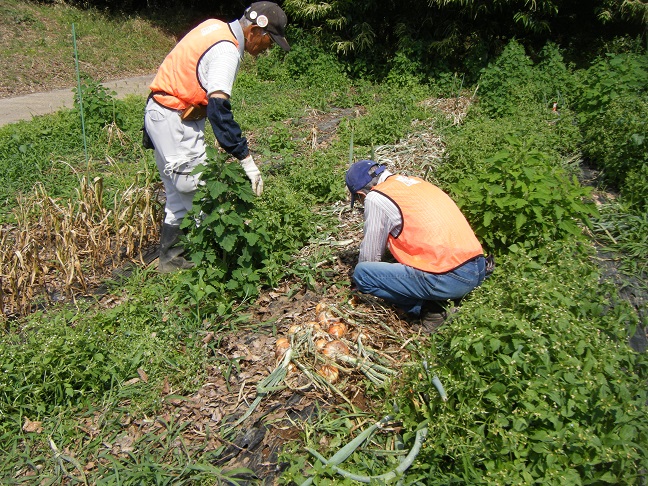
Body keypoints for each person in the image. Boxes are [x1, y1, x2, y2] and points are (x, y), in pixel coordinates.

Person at [144, 2, 290, 272]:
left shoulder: (215, 26)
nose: (267, 50)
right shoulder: (226, 50)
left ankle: (173, 261)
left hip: (162, 114)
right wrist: (246, 159)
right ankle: (216, 262)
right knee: (199, 191)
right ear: (254, 31)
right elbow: (219, 110)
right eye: (269, 42)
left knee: (178, 196)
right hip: (174, 120)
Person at [345, 160, 490, 323]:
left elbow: (370, 259)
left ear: (360, 194)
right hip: (478, 267)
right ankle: (445, 297)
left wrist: (357, 285)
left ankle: (431, 308)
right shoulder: (416, 183)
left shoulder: (375, 197)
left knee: (363, 274)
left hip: (452, 278)